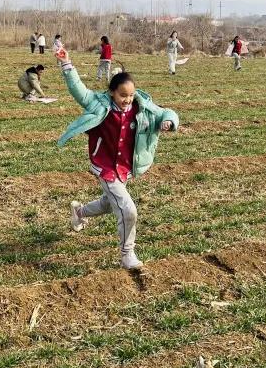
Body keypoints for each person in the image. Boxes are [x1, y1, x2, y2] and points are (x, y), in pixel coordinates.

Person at [56, 46, 178, 271]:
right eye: (123, 95)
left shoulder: (141, 107)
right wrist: (67, 65)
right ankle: (127, 254)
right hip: (105, 166)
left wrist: (169, 122)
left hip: (124, 167)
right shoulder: (99, 105)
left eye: (131, 95)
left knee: (110, 202)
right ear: (112, 92)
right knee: (128, 209)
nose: (127, 100)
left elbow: (165, 112)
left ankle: (79, 212)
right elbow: (79, 90)